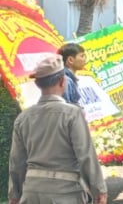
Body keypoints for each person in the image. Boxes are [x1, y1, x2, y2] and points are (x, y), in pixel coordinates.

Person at [8, 53, 107, 204]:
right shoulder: (73, 114)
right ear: (63, 81)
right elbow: (86, 155)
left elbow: (16, 162)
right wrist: (99, 190)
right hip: (66, 193)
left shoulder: (23, 118)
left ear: (37, 84)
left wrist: (14, 195)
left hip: (32, 192)